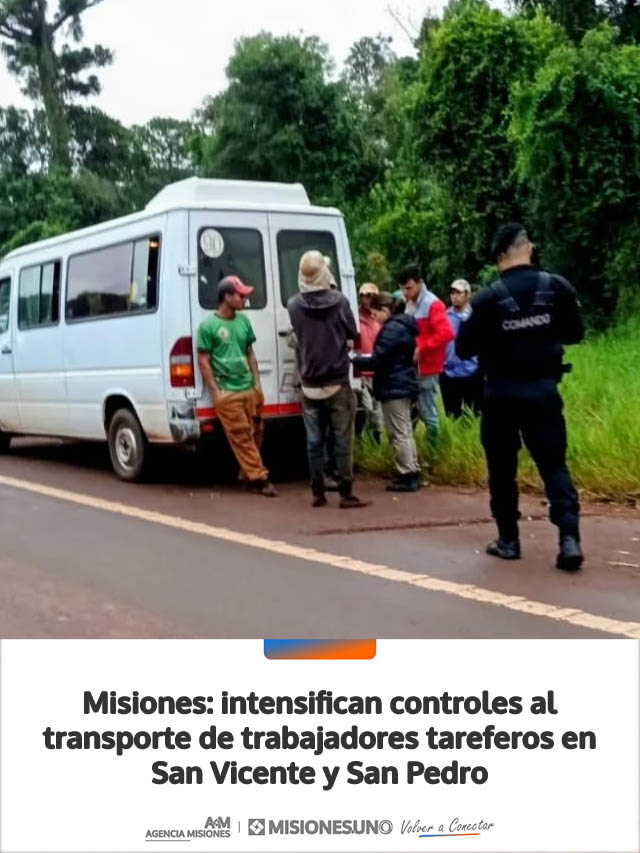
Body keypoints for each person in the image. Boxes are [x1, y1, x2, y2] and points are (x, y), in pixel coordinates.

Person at [456, 223, 584, 571]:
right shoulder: (557, 287)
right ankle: (569, 539)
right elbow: (575, 333)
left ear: (500, 256)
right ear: (529, 248)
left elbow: (463, 348)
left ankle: (509, 540)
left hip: (501, 395)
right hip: (543, 392)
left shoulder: (486, 299)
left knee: (502, 470)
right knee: (554, 465)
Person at [287, 250, 369, 509]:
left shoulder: (293, 305)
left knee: (314, 441)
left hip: (309, 383)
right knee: (343, 439)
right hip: (337, 381)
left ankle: (317, 493)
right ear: (325, 273)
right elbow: (353, 332)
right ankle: (346, 493)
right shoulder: (340, 302)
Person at [196, 276, 277, 497]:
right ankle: (260, 479)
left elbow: (250, 353)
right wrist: (216, 392)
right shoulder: (208, 326)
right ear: (227, 297)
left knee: (256, 434)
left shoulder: (243, 321)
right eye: (240, 295)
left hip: (249, 388)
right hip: (228, 392)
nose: (244, 299)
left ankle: (247, 475)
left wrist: (257, 383)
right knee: (242, 437)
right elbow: (203, 361)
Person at [353, 292, 421, 492]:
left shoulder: (391, 330)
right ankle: (412, 469)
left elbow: (378, 359)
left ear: (385, 310)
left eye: (375, 313)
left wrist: (356, 360)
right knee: (405, 431)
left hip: (393, 386)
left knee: (398, 433)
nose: (373, 317)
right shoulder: (404, 326)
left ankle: (406, 474)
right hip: (404, 383)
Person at [399, 264, 455, 452]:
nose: (405, 292)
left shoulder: (433, 304)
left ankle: (433, 453)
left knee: (428, 414)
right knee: (413, 413)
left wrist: (422, 347)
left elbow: (447, 333)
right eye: (403, 288)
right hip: (413, 367)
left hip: (428, 368)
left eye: (409, 288)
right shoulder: (410, 303)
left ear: (420, 283)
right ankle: (413, 452)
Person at [441, 279, 483, 418]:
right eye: (452, 293)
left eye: (458, 293)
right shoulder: (445, 316)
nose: (454, 296)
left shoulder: (476, 315)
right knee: (452, 416)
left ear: (467, 295)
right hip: (450, 372)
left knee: (474, 415)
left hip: (472, 370)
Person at [356, 282, 385, 442]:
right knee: (366, 409)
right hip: (362, 373)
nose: (369, 299)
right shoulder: (355, 319)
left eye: (373, 296)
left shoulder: (379, 320)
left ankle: (376, 442)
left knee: (378, 410)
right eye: (367, 296)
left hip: (378, 372)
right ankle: (362, 439)